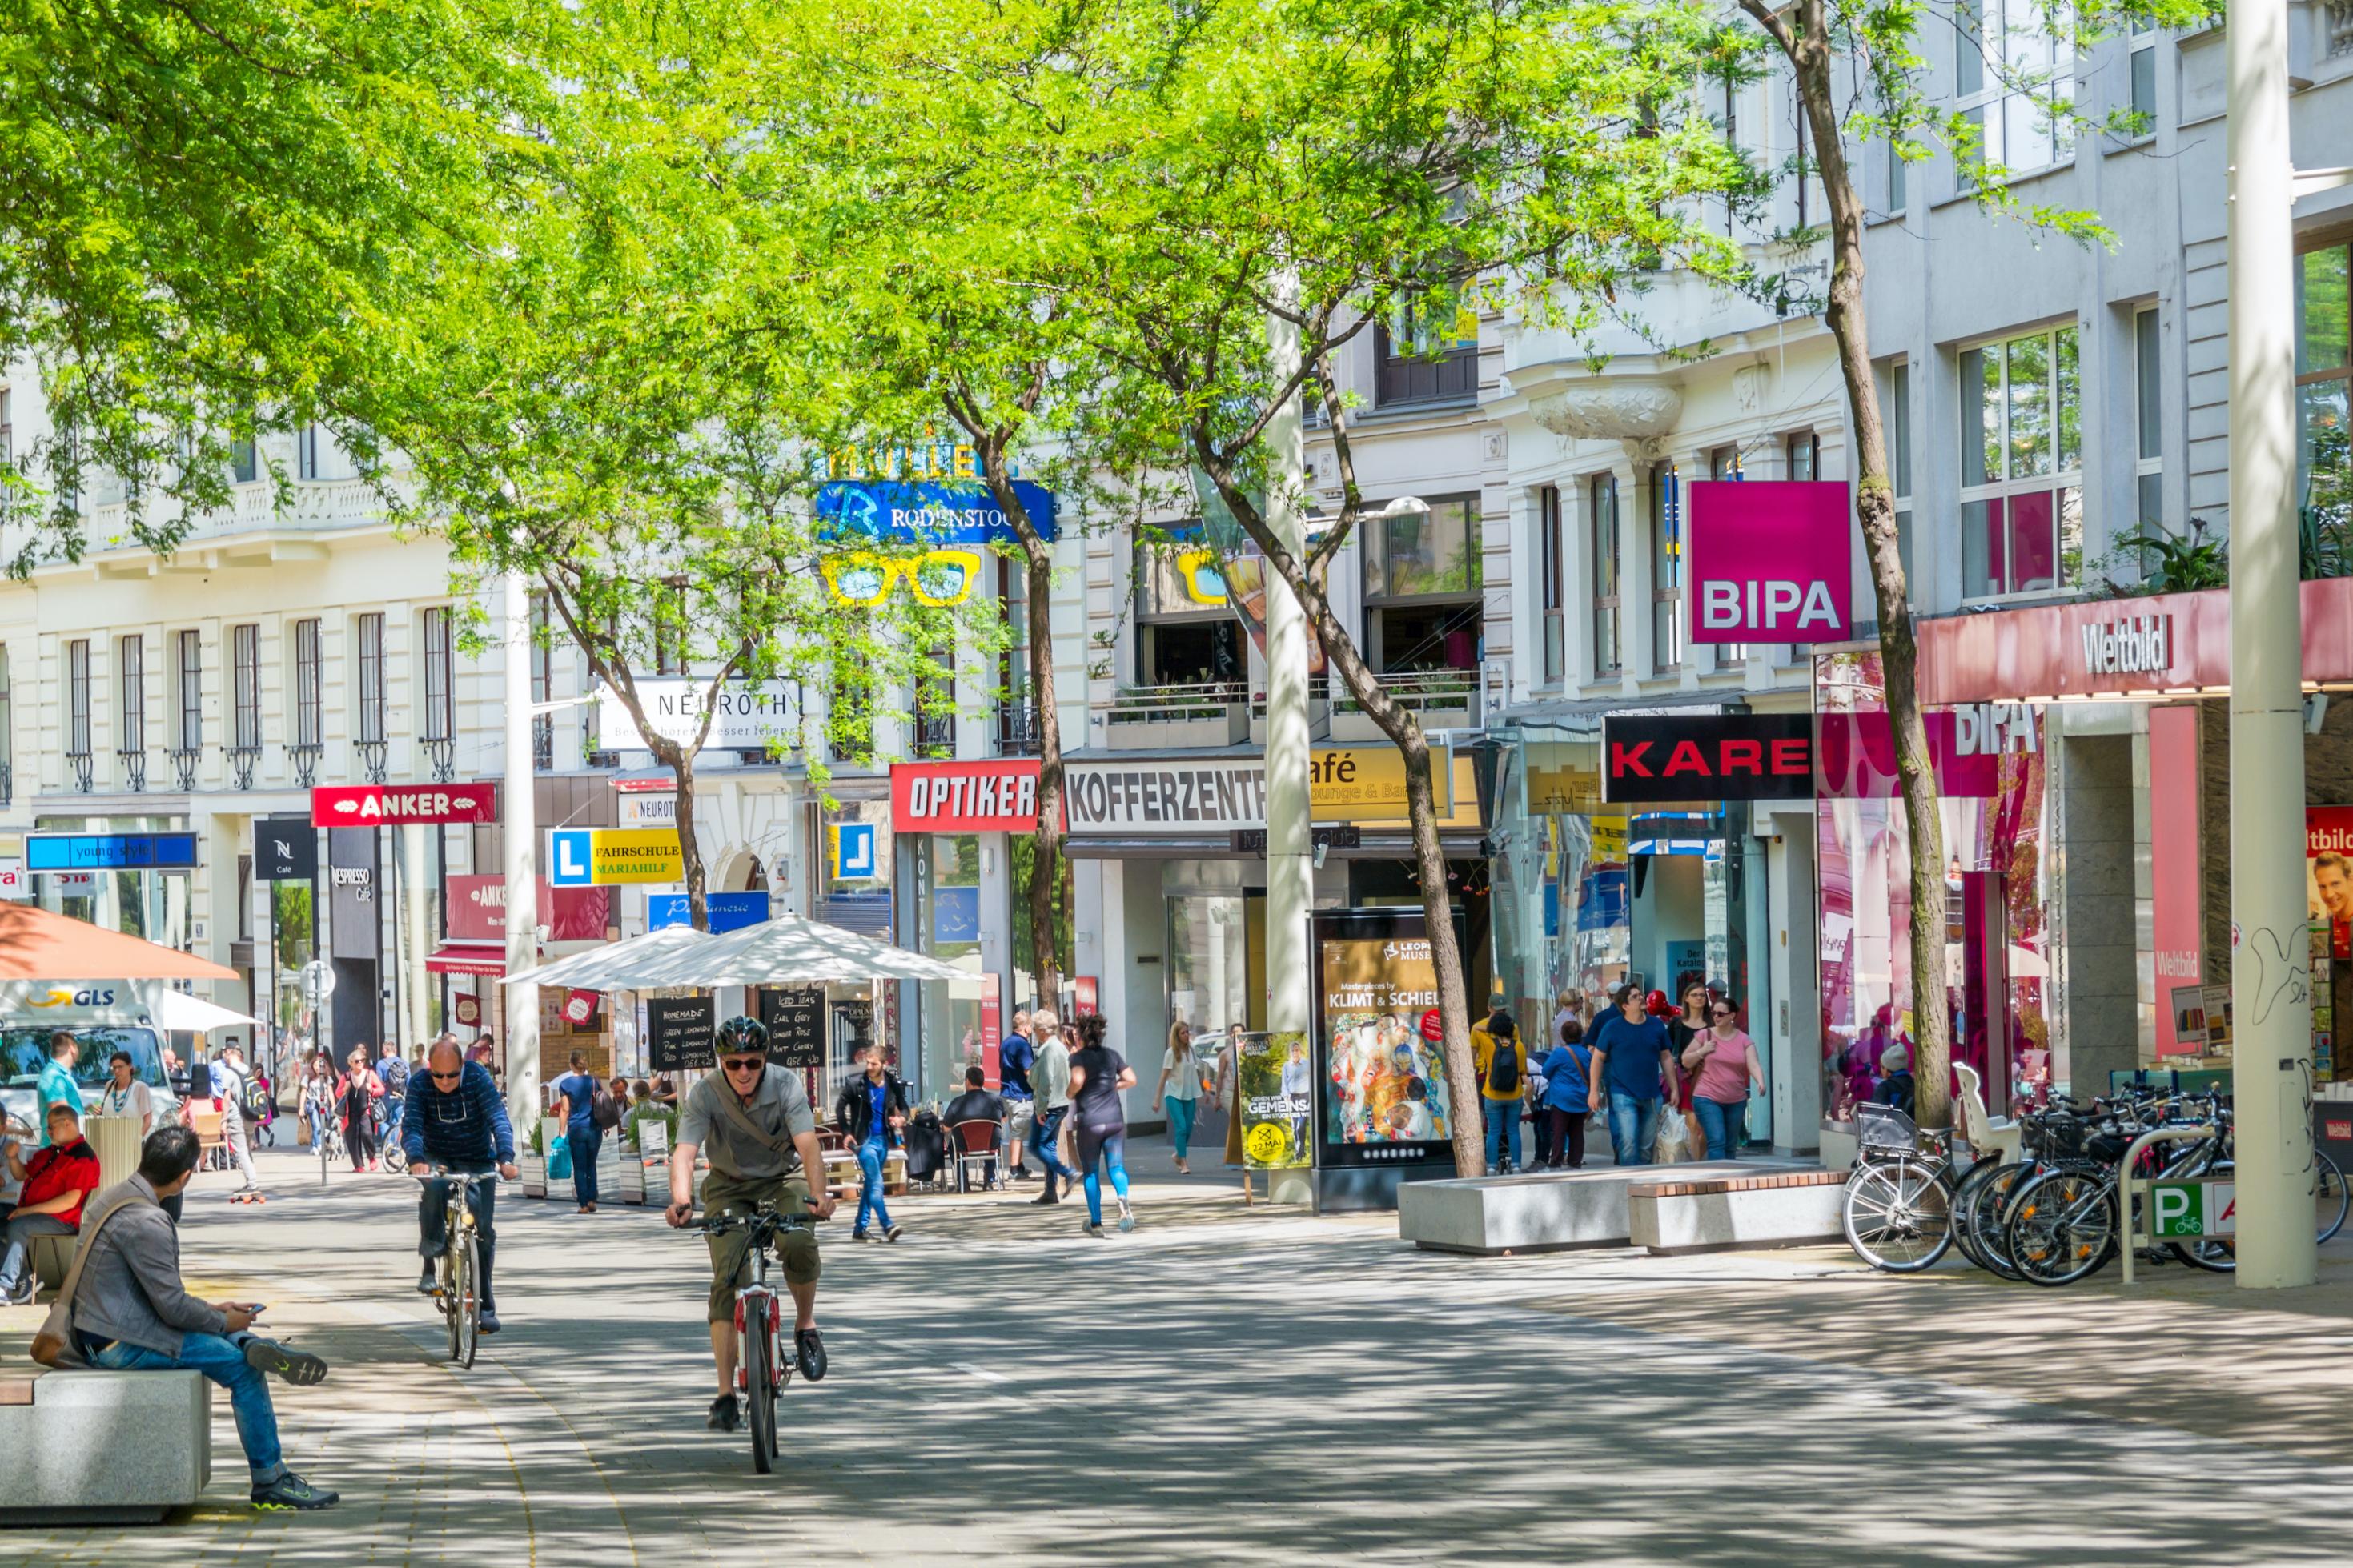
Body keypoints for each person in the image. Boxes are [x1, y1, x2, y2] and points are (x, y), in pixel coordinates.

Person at [64, 1124, 336, 1509]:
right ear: (184, 1176)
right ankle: (270, 1480)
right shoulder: (149, 1221)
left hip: (103, 1328)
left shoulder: (112, 1199)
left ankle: (251, 1343)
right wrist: (224, 1322)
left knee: (221, 1332)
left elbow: (154, 1296)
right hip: (119, 1344)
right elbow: (172, 1308)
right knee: (243, 1369)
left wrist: (216, 1310)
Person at [665, 1016, 835, 1434]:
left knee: (797, 1241)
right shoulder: (705, 1093)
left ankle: (805, 1325)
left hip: (782, 1179)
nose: (744, 1071)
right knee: (727, 1278)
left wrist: (819, 1196)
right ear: (721, 1062)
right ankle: (725, 1395)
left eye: (752, 1063)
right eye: (734, 1063)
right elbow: (685, 1152)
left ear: (765, 1060)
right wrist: (682, 1201)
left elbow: (808, 1145)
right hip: (728, 1186)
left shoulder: (786, 1085)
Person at [401, 1036, 518, 1335]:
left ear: (462, 1066)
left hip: (477, 1158)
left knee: (484, 1233)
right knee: (434, 1186)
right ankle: (431, 1255)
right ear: (430, 1069)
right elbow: (412, 1126)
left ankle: (486, 1309)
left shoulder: (478, 1078)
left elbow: (498, 1118)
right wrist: (416, 1158)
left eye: (452, 1075)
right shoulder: (419, 1084)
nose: (444, 1081)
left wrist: (505, 1158)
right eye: (438, 1075)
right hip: (436, 1155)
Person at [0, 1102, 98, 1303]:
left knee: (19, 1224)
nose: (49, 1132)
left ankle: (5, 1286)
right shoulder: (50, 1152)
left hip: (60, 1220)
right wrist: (13, 1158)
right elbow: (22, 1175)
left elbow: (70, 1201)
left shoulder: (83, 1157)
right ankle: (25, 1277)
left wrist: (28, 1211)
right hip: (32, 1213)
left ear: (68, 1124)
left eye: (52, 1127)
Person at [1588, 983, 1681, 1167]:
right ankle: (1627, 1186)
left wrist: (1674, 1089)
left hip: (1652, 1095)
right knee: (1629, 1142)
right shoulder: (1612, 1027)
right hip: (1623, 1093)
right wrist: (1593, 1090)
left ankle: (1643, 1186)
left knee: (1647, 1147)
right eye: (1635, 996)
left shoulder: (1656, 1025)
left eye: (1641, 994)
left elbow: (1666, 1057)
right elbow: (1597, 1058)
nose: (1641, 998)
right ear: (1625, 1006)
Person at [1064, 1012, 1136, 1237]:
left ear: (1082, 1036)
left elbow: (1077, 1080)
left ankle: (1096, 1223)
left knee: (1091, 1172)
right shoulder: (1112, 1055)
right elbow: (1131, 1079)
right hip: (1114, 1120)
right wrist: (1113, 1087)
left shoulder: (1078, 1058)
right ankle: (1122, 1196)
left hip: (1091, 1123)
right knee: (1116, 1167)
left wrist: (1070, 1092)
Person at [833, 1043, 909, 1241]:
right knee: (876, 1183)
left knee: (869, 1185)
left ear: (884, 1064)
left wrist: (901, 1119)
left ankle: (860, 1229)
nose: (869, 1067)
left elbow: (905, 1108)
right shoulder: (856, 1084)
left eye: (874, 1064)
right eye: (867, 1063)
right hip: (864, 1142)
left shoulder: (891, 1084)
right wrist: (846, 1132)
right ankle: (887, 1225)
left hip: (883, 1140)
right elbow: (840, 1108)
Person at [1683, 1000, 1765, 1160]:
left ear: (1732, 1015)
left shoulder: (1744, 1040)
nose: (1716, 1016)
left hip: (1736, 1099)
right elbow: (1686, 1060)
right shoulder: (1704, 1035)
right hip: (1707, 1096)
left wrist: (1760, 1081)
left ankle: (1729, 1181)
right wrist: (1703, 1050)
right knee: (1717, 1141)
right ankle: (1717, 1180)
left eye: (1721, 1013)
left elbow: (1753, 1063)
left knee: (1730, 1145)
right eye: (1713, 1013)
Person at [1026, 1009, 1080, 1205]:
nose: (1033, 1032)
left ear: (1042, 1030)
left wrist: (1040, 1109)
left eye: (1034, 1028)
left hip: (1050, 1105)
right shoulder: (1059, 1047)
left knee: (1035, 1146)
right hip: (1061, 1103)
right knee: (1048, 1146)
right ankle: (1050, 1191)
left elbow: (1046, 1080)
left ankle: (1068, 1172)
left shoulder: (1048, 1049)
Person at [1470, 1010, 1527, 1173]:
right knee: (1513, 1130)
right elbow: (1523, 1071)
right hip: (1514, 1095)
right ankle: (1516, 1165)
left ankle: (1492, 1167)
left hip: (1492, 1094)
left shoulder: (1489, 1045)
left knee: (1493, 1132)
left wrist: (1491, 1029)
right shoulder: (1519, 1047)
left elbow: (1478, 1028)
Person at [552, 1051, 608, 1214]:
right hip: (594, 1128)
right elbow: (601, 1103)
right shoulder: (593, 1082)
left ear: (571, 1065)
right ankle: (592, 1200)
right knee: (591, 1165)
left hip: (576, 1129)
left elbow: (565, 1109)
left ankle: (583, 1204)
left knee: (580, 1167)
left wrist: (562, 1131)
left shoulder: (566, 1084)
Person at [1538, 1013, 1593, 1170]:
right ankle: (1575, 1162)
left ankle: (1556, 1161)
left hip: (1561, 1098)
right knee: (1577, 1132)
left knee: (1559, 1131)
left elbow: (1546, 1072)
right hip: (1580, 1098)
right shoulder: (1586, 1054)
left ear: (1563, 1036)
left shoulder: (1559, 1053)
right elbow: (1591, 1075)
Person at [211, 1042, 266, 1197]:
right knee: (246, 1150)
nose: (224, 1058)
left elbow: (226, 1099)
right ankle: (251, 1182)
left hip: (236, 1116)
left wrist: (223, 1120)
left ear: (229, 1053)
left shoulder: (228, 1072)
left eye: (225, 1055)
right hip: (250, 1115)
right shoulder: (247, 1069)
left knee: (241, 1150)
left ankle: (253, 1184)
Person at [942, 1065, 1007, 1186]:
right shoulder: (996, 1100)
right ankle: (989, 1179)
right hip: (990, 1144)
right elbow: (1003, 1119)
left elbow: (946, 1128)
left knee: (952, 1146)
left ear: (967, 1081)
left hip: (964, 1146)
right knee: (995, 1141)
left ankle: (963, 1181)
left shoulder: (957, 1102)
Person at [1154, 1021, 1203, 1174]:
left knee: (1188, 1128)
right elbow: (1163, 1077)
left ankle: (1177, 1154)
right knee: (1181, 1127)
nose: (1187, 1035)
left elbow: (1196, 1072)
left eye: (1188, 1032)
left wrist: (1205, 1091)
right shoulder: (1171, 1053)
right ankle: (1183, 1163)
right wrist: (1157, 1099)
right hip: (1174, 1094)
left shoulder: (1191, 1051)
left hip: (1189, 1094)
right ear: (1176, 1036)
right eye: (1183, 1033)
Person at [998, 1008, 1036, 1181]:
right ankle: (1014, 1169)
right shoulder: (1023, 1045)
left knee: (1016, 1130)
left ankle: (1019, 1166)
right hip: (1021, 1094)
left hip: (1007, 1092)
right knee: (1018, 1134)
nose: (1032, 1029)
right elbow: (1029, 1070)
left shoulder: (1005, 1043)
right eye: (1031, 1026)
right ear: (1026, 1026)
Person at [335, 1049, 384, 1173]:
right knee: (352, 1139)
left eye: (362, 1060)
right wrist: (344, 1089)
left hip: (365, 1112)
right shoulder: (345, 1077)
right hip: (350, 1114)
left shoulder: (370, 1074)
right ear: (350, 1063)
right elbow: (338, 1094)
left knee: (367, 1134)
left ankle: (372, 1158)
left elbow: (381, 1089)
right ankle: (358, 1165)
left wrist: (372, 1090)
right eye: (357, 1061)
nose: (360, 1063)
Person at [36, 1031, 84, 1146]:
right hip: (58, 1149)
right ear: (72, 1049)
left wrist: (84, 1111)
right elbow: (61, 1114)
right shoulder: (53, 1076)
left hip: (66, 1146)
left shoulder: (63, 1075)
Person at [95, 1049, 156, 1138]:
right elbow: (102, 1110)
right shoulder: (109, 1085)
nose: (117, 1071)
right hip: (109, 1141)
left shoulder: (140, 1088)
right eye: (114, 1068)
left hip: (130, 1145)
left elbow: (148, 1120)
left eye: (120, 1067)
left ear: (130, 1066)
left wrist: (137, 1140)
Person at [377, 1042, 410, 1149]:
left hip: (387, 1095)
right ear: (395, 1050)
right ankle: (395, 1148)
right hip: (400, 1095)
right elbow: (409, 1081)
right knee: (396, 1122)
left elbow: (379, 1082)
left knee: (382, 1119)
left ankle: (388, 1142)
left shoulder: (381, 1064)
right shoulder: (404, 1063)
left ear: (385, 1051)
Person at [1874, 1041, 1917, 1118]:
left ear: (1888, 1070)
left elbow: (1875, 1115)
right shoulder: (1914, 1084)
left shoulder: (1885, 1087)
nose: (1881, 1070)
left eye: (1882, 1067)